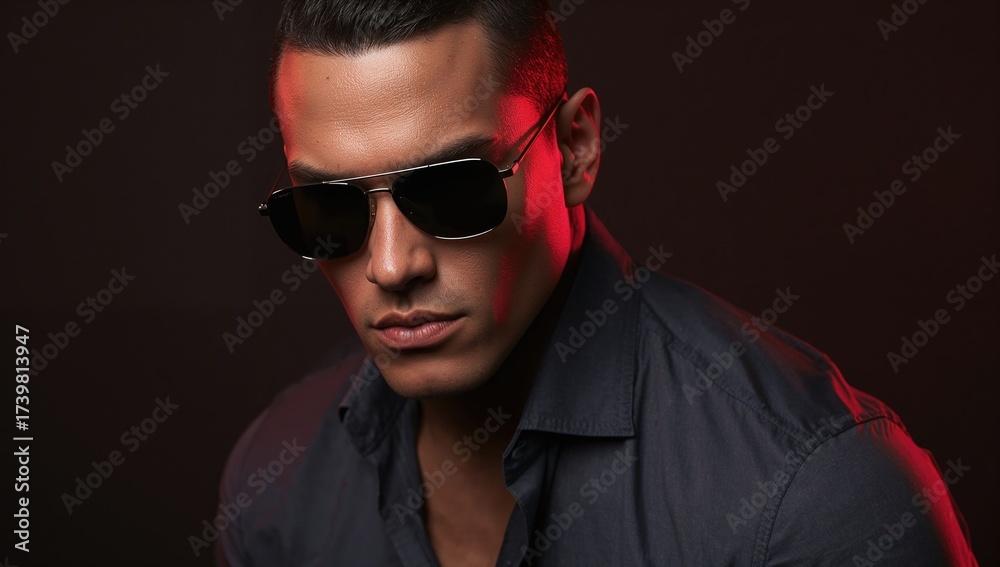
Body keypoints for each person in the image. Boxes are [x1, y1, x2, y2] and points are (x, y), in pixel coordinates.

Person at [216, 1, 978, 565]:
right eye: (329, 207)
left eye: (452, 190)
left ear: (575, 148)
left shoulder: (814, 492)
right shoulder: (274, 480)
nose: (390, 265)